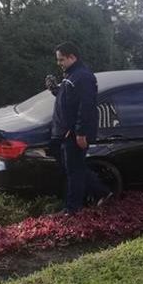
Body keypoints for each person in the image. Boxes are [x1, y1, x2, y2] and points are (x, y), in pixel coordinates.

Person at [46, 41, 111, 215]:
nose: (59, 63)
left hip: (74, 133)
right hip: (64, 132)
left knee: (74, 172)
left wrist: (80, 133)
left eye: (61, 59)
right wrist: (55, 90)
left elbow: (87, 106)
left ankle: (71, 210)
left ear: (72, 57)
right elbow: (69, 99)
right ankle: (103, 193)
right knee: (76, 168)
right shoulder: (71, 75)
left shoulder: (84, 77)